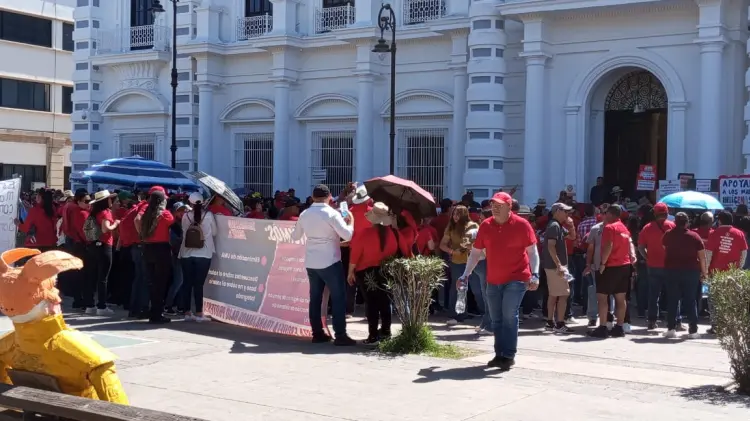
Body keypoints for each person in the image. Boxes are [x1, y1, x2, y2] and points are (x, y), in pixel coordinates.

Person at [460, 192, 540, 370]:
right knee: (496, 319)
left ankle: (509, 355)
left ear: (509, 207)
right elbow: (475, 253)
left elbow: (532, 252)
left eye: (499, 205)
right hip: (493, 279)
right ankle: (499, 354)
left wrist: (535, 274)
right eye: (493, 205)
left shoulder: (522, 225)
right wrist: (465, 274)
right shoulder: (486, 226)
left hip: (517, 278)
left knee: (509, 316)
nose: (495, 208)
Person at [291, 184, 356, 346]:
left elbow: (295, 236)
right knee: (338, 298)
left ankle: (317, 333)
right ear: (329, 197)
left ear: (313, 197)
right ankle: (340, 335)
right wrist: (351, 221)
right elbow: (347, 235)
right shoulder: (332, 214)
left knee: (315, 298)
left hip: (312, 261)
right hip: (330, 260)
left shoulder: (305, 214)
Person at [347, 202, 399, 344]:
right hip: (385, 271)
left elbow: (355, 255)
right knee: (385, 302)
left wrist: (350, 272)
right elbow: (394, 251)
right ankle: (386, 332)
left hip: (366, 272)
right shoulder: (392, 234)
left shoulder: (365, 233)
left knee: (371, 304)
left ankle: (373, 335)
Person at [588, 205, 635, 338]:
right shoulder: (624, 228)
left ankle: (603, 327)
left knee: (602, 298)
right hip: (624, 266)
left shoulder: (610, 227)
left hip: (610, 266)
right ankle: (619, 327)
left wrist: (603, 263)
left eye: (605, 213)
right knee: (621, 298)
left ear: (610, 213)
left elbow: (609, 245)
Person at [662, 212, 707, 339]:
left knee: (672, 300)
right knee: (691, 300)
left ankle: (671, 328)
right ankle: (693, 330)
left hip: (672, 271)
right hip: (691, 271)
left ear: (675, 222)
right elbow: (702, 257)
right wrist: (704, 273)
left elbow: (664, 248)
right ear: (687, 222)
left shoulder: (668, 235)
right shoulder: (695, 236)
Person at [135, 187, 175, 324]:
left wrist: (142, 235)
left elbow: (137, 220)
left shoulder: (145, 212)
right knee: (161, 283)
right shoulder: (165, 214)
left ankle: (153, 312)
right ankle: (157, 314)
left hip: (148, 248)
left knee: (151, 282)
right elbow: (172, 222)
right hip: (161, 249)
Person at [705, 211, 747, 334]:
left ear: (720, 221)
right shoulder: (739, 233)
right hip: (732, 274)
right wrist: (738, 268)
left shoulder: (714, 233)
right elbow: (743, 253)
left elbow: (709, 254)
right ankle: (729, 325)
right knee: (730, 300)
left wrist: (705, 270)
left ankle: (715, 325)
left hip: (715, 273)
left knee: (713, 299)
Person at [439, 205, 480, 326]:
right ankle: (457, 314)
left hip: (473, 261)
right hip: (457, 261)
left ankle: (486, 313)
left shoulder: (473, 226)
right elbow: (442, 244)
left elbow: (474, 242)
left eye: (458, 214)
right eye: (454, 214)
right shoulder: (451, 227)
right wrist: (452, 252)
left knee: (477, 289)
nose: (455, 216)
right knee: (458, 288)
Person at [179, 192, 217, 322]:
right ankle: (199, 312)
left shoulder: (185, 216)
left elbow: (184, 230)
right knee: (198, 284)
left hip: (186, 253)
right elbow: (215, 232)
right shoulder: (208, 215)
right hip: (204, 253)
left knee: (187, 283)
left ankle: (187, 312)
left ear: (190, 202)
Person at [637, 203, 675, 330]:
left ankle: (652, 321)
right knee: (673, 294)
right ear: (667, 213)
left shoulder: (647, 228)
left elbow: (641, 247)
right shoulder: (672, 226)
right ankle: (675, 321)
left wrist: (647, 257)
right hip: (670, 265)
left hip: (653, 266)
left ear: (654, 213)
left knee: (653, 295)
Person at [84, 190, 120, 316]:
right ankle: (102, 306)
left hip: (93, 246)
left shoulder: (93, 213)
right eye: (110, 199)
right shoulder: (106, 213)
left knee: (91, 276)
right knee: (103, 278)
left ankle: (90, 305)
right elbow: (106, 229)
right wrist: (115, 223)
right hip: (104, 246)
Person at [542, 202, 575, 333]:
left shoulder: (557, 226)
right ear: (557, 211)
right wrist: (559, 265)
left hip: (555, 266)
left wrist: (571, 225)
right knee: (563, 294)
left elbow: (572, 237)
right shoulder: (554, 226)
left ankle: (550, 322)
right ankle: (559, 324)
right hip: (556, 267)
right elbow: (551, 246)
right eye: (565, 211)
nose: (568, 214)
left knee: (554, 295)